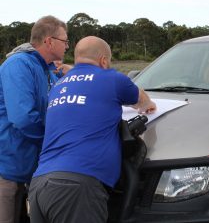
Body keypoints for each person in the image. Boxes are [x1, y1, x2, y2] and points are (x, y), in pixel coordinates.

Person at [28, 36, 156, 223]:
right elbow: (142, 100)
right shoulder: (111, 78)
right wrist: (149, 105)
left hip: (40, 184)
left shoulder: (58, 86)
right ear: (104, 60)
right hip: (78, 186)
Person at [0, 15, 69, 223]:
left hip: (31, 165)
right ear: (49, 41)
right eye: (64, 41)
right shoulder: (19, 65)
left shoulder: (46, 69)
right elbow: (23, 117)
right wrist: (52, 141)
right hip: (9, 165)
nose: (67, 46)